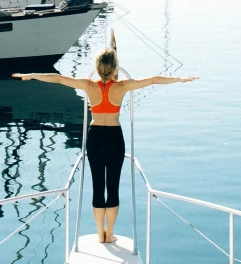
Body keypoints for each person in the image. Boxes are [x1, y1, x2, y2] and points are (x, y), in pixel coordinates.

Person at [13, 48, 199, 243]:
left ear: (98, 67)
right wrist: (180, 79)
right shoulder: (122, 87)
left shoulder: (88, 85)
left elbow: (58, 78)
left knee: (97, 186)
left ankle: (99, 233)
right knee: (113, 186)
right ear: (114, 68)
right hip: (114, 138)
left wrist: (30, 75)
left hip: (95, 138)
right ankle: (110, 233)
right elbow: (153, 79)